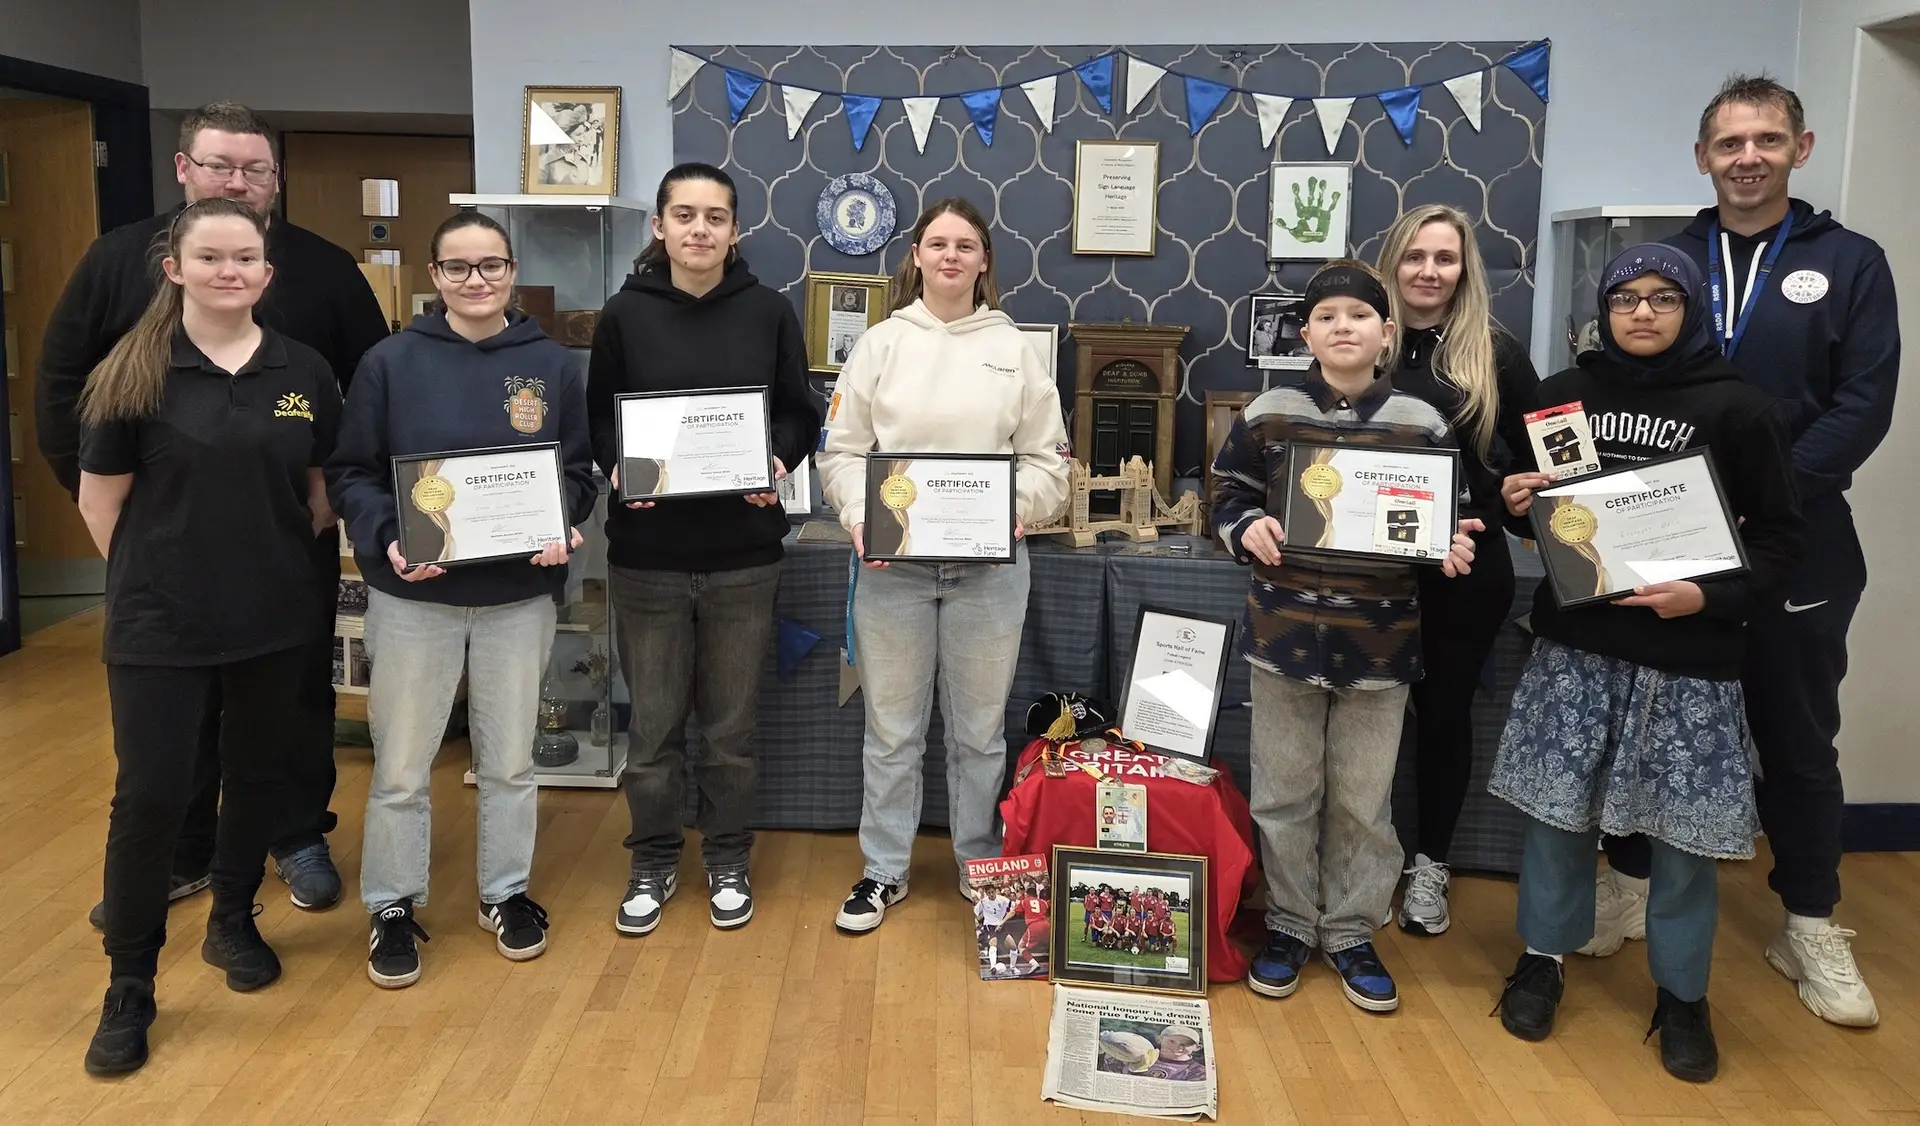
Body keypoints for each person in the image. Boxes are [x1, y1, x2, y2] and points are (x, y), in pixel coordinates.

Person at [1586, 76, 1900, 1029]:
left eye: (1768, 139)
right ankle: (1631, 884)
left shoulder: (1850, 262)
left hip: (1797, 545)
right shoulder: (1665, 261)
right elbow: (1611, 391)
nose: (1749, 156)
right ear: (1703, 158)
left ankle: (1808, 920)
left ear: (1799, 150)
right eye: (1730, 142)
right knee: (1650, 723)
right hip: (1662, 544)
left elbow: (1863, 404)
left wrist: (1759, 500)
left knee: (1798, 738)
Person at [36, 101, 391, 922]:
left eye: (255, 169)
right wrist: (117, 521)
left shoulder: (326, 270)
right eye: (220, 165)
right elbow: (62, 385)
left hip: (280, 546)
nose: (238, 181)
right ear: (182, 171)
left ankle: (296, 833)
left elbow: (369, 395)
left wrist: (316, 518)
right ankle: (188, 849)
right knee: (175, 724)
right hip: (160, 552)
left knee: (292, 704)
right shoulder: (116, 260)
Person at [1488, 243, 1804, 1082]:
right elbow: (1559, 529)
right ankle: (1541, 958)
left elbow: (1780, 543)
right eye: (1626, 296)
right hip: (1579, 650)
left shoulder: (1741, 410)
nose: (1642, 312)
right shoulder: (1563, 398)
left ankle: (1683, 996)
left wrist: (1704, 599)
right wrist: (1520, 506)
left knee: (1684, 843)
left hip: (1691, 662)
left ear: (1690, 309)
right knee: (1558, 820)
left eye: (1664, 298)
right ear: (1605, 306)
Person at [73, 198, 344, 1075]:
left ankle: (232, 921)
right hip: (161, 625)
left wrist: (256, 569)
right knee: (149, 799)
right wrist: (174, 573)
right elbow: (100, 506)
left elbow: (317, 492)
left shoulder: (304, 370)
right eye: (212, 257)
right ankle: (129, 985)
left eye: (246, 259)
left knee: (258, 774)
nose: (230, 271)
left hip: (273, 619)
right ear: (176, 268)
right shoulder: (133, 373)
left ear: (266, 274)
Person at [327, 211, 597, 988]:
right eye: (458, 267)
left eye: (491, 265)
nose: (476, 280)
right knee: (403, 766)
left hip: (519, 595)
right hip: (416, 596)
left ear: (512, 272)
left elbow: (577, 473)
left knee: (510, 761)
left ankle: (504, 892)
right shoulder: (389, 362)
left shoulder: (549, 365)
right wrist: (387, 536)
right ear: (434, 277)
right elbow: (352, 473)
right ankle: (391, 904)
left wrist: (563, 523)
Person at [1211, 260, 1480, 1014]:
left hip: (1381, 643)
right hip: (1284, 635)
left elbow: (1447, 517)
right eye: (1326, 317)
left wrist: (1453, 545)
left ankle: (1354, 929)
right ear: (1306, 334)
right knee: (1285, 793)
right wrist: (1243, 526)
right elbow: (1225, 492)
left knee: (1364, 801)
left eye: (1358, 317)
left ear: (1386, 332)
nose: (1342, 328)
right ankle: (1293, 924)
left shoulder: (1423, 423)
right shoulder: (1269, 411)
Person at [818, 197, 1071, 933]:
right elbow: (842, 454)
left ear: (984, 261)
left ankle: (977, 863)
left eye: (966, 245)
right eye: (937, 243)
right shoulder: (880, 345)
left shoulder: (1015, 349)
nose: (951, 255)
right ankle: (884, 870)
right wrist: (862, 518)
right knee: (893, 731)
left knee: (978, 733)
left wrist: (1016, 511)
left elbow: (1048, 464)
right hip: (893, 571)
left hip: (989, 573)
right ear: (917, 257)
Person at [585, 162, 819, 936]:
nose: (698, 230)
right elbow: (600, 421)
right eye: (683, 215)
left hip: (743, 557)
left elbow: (797, 412)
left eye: (714, 217)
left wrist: (777, 461)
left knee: (730, 730)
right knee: (651, 730)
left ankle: (726, 855)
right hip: (648, 556)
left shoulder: (768, 313)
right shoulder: (623, 315)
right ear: (659, 226)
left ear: (735, 230)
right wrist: (618, 467)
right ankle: (651, 857)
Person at [1373, 203, 1541, 936]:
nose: (1429, 272)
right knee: (1362, 719)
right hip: (1370, 571)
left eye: (1444, 258)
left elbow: (1544, 462)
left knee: (1442, 721)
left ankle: (1430, 866)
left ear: (1464, 270)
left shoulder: (1494, 353)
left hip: (1463, 570)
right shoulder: (1359, 340)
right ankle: (1361, 863)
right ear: (1393, 263)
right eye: (1415, 256)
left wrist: (1513, 502)